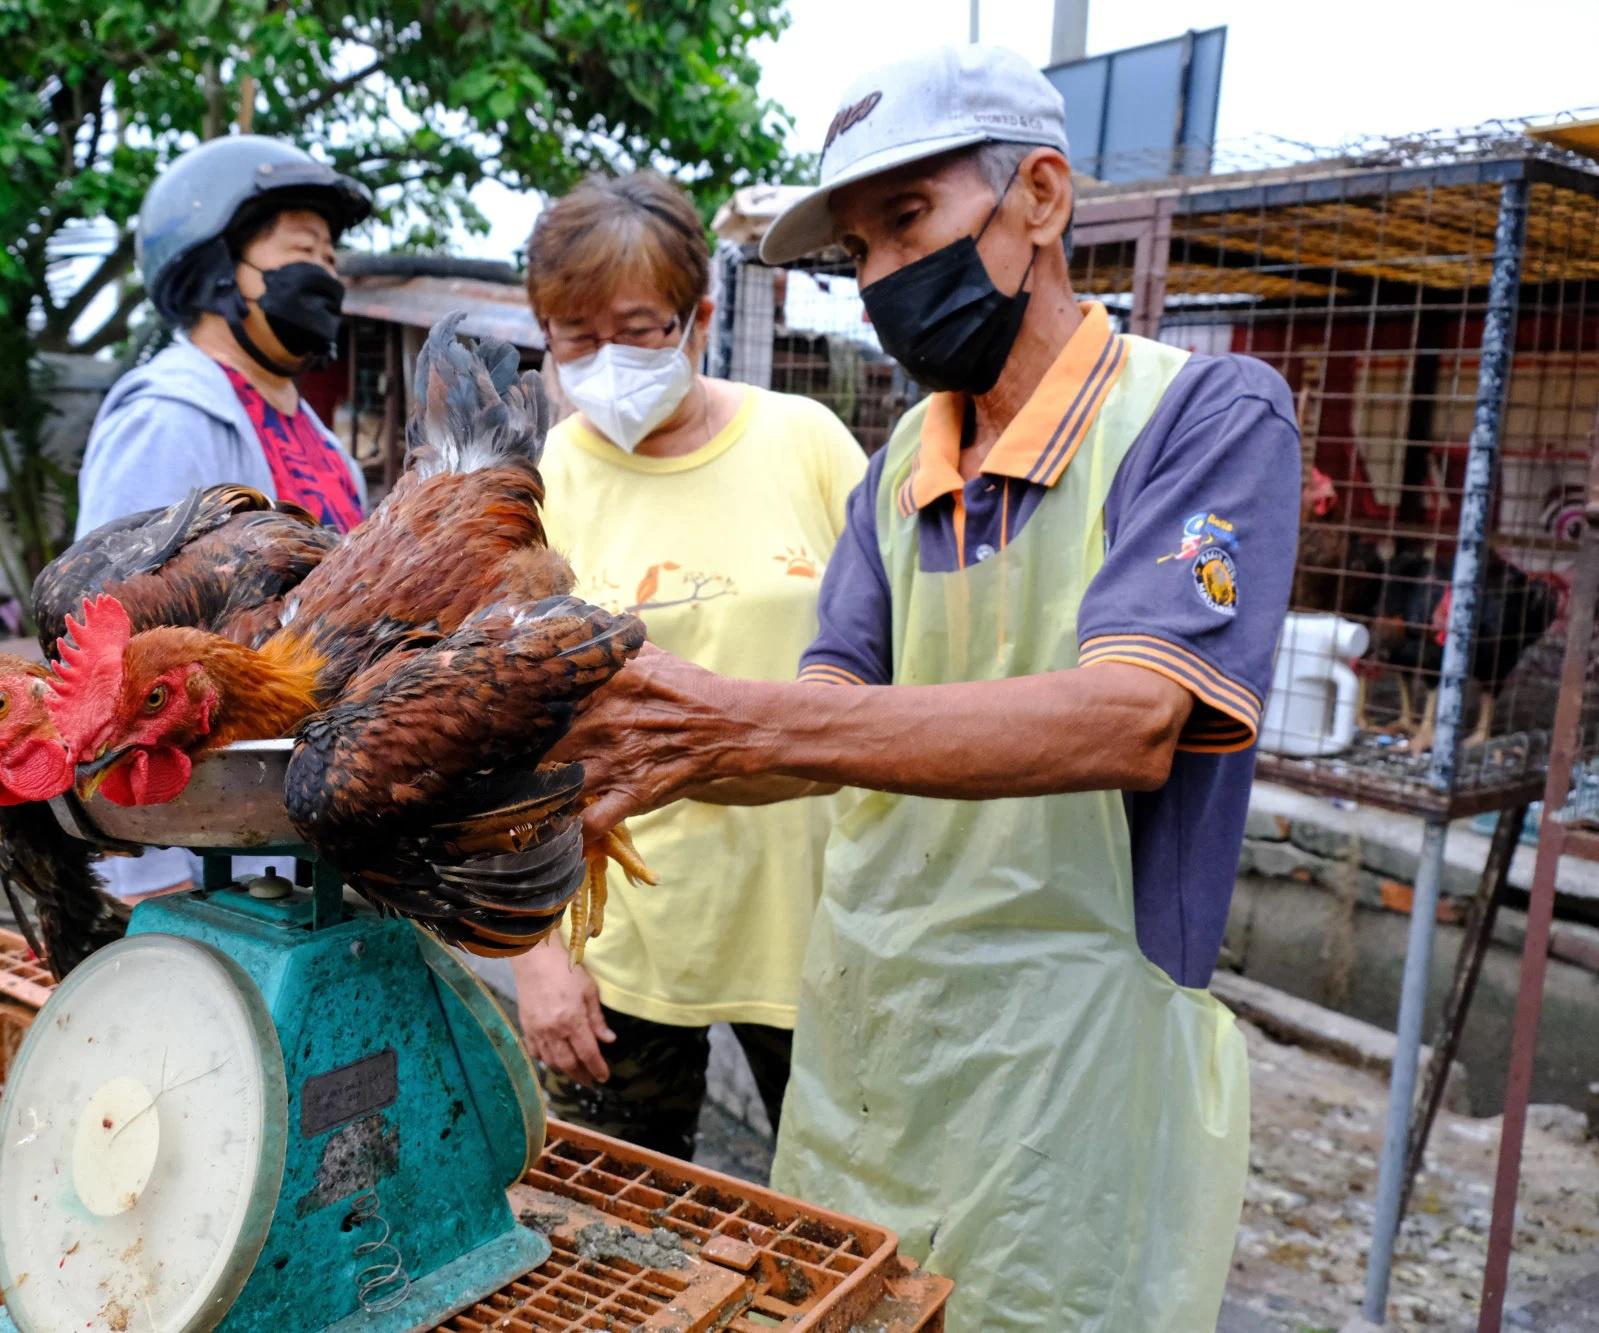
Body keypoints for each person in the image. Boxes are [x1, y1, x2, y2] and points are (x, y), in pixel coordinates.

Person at [554, 45, 1299, 1332]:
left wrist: (735, 715)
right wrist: (637, 762)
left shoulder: (1203, 416)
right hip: (874, 1037)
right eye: (859, 253)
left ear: (1044, 199)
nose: (888, 279)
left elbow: (1133, 717)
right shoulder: (903, 461)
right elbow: (824, 721)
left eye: (910, 222)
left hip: (1073, 1068)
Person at [513, 172, 868, 1160]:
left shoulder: (807, 445)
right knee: (616, 1225)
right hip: (619, 947)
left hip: (818, 936)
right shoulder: (541, 486)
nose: (604, 360)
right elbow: (502, 742)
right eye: (573, 337)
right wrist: (536, 959)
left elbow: (902, 677)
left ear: (699, 317)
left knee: (841, 1222)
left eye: (634, 328)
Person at [75, 135, 371, 897]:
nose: (328, 274)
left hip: (314, 833)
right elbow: (123, 660)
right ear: (214, 269)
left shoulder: (324, 445)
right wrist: (155, 867)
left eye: (334, 258)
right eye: (306, 249)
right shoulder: (168, 420)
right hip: (205, 861)